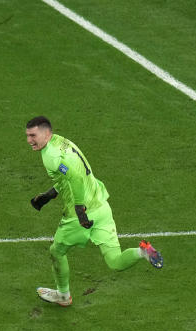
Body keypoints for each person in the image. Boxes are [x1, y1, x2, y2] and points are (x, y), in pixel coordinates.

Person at [25, 115, 163, 307]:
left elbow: (76, 180)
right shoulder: (63, 142)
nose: (29, 140)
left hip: (79, 217)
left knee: (56, 252)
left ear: (47, 134)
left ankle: (63, 296)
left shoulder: (50, 155)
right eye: (27, 136)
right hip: (102, 207)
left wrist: (80, 209)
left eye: (33, 135)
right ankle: (142, 252)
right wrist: (49, 195)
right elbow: (72, 175)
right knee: (115, 261)